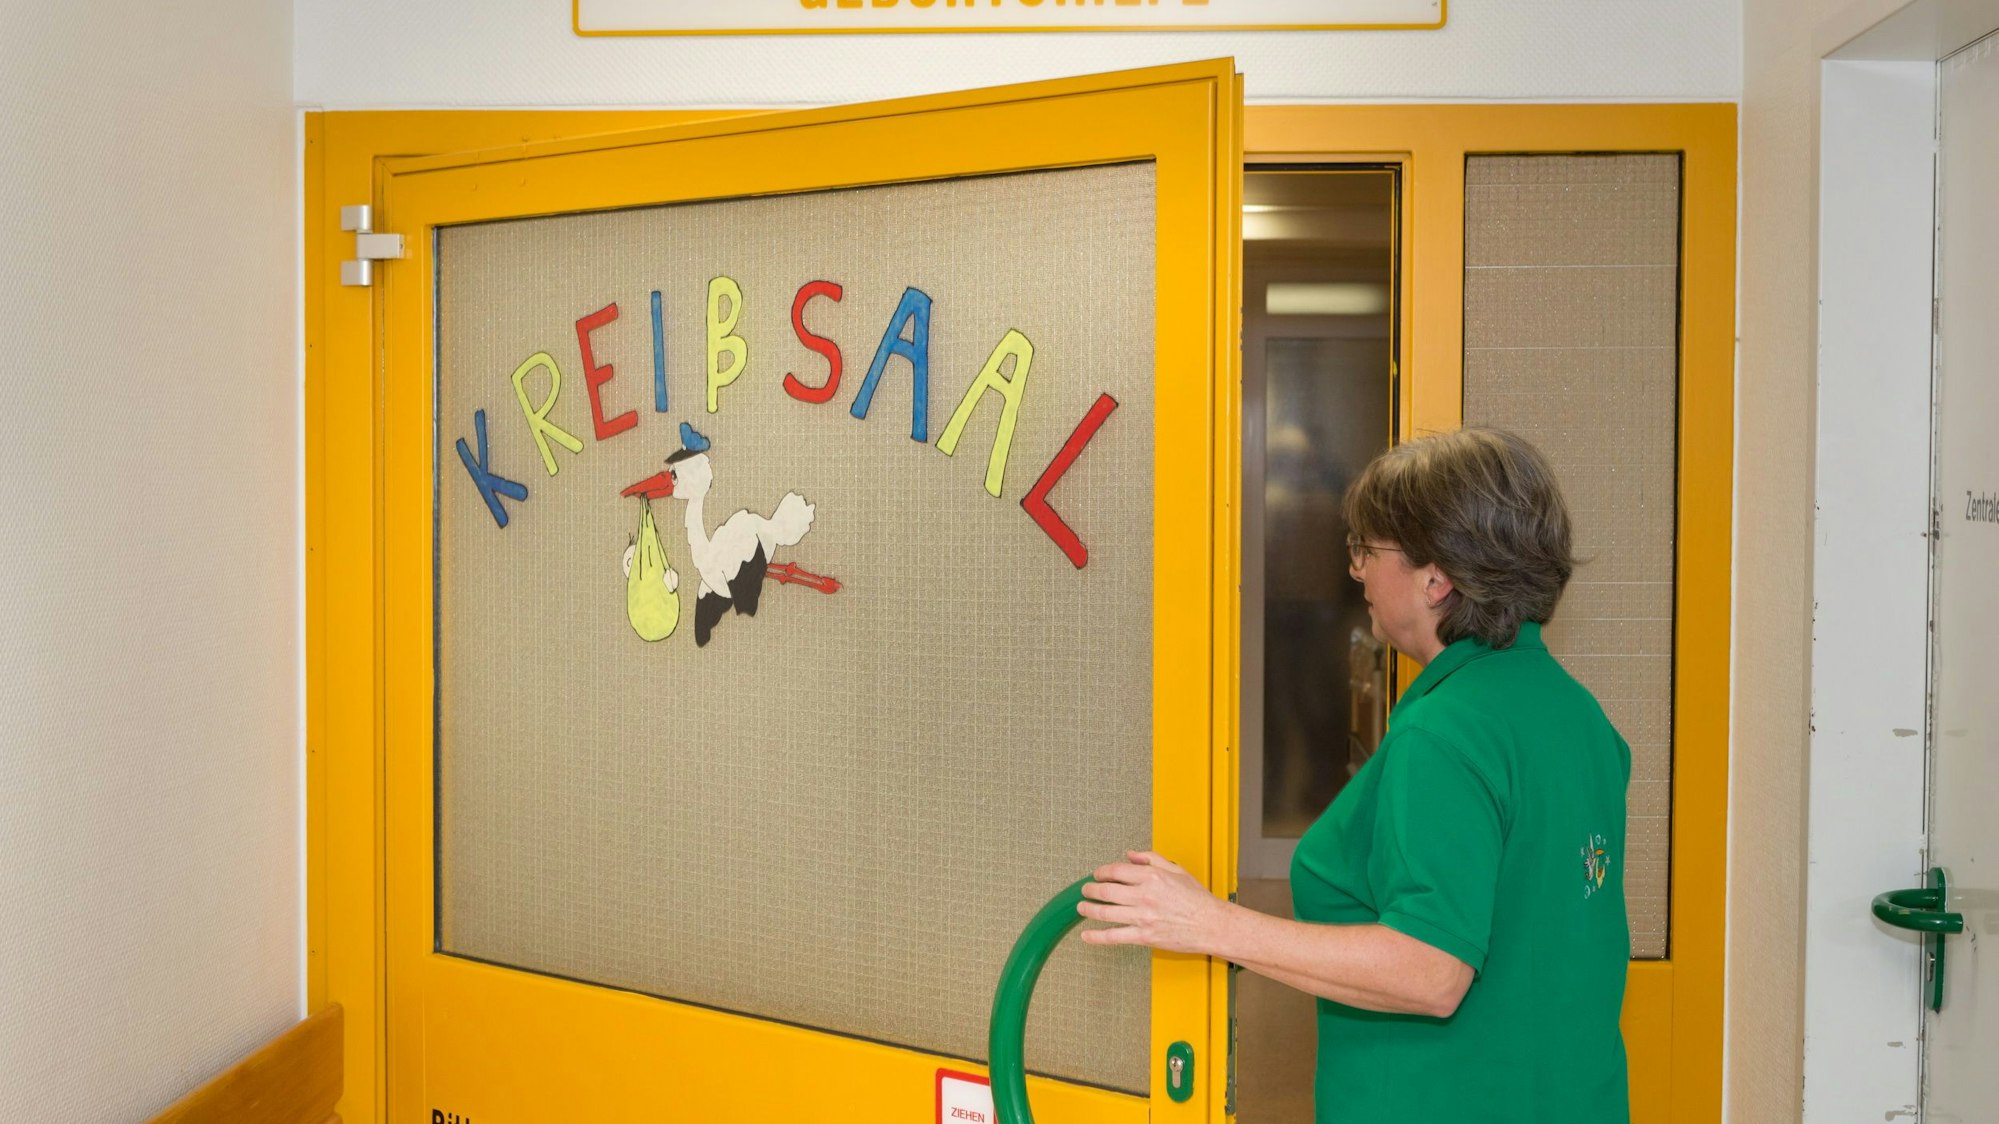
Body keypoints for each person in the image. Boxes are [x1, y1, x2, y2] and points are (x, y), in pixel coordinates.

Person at [1081, 427, 1631, 1123]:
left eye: (1368, 551)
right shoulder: (1572, 713)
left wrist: (1209, 924)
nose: (1355, 572)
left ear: (1437, 577)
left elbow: (1430, 971)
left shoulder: (1446, 732)